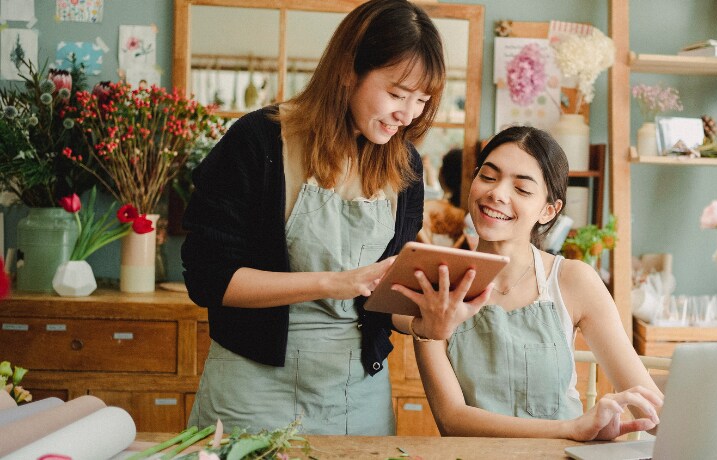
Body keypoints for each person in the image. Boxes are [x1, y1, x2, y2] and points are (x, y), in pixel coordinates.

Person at [181, 0, 490, 435]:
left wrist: (428, 318)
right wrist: (335, 283)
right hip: (250, 392)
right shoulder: (258, 142)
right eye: (397, 94)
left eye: (422, 100)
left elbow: (388, 303)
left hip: (356, 393)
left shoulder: (405, 167)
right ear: (349, 71)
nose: (409, 114)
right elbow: (209, 278)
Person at [394, 126, 664, 441]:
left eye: (522, 189)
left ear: (549, 210)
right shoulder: (436, 283)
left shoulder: (572, 280)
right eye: (489, 177)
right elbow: (451, 419)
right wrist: (572, 428)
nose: (497, 193)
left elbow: (652, 410)